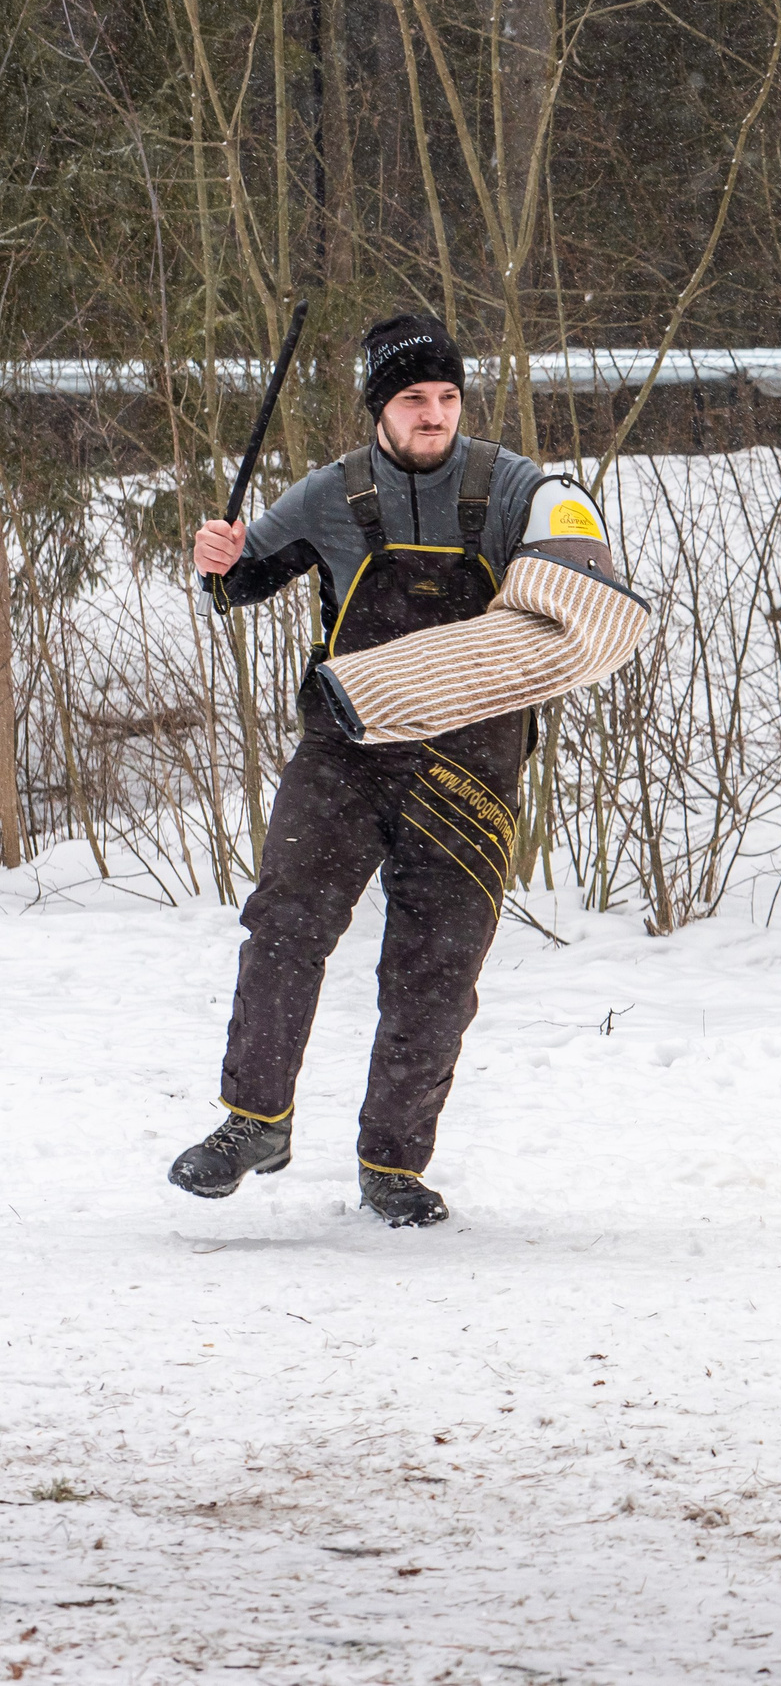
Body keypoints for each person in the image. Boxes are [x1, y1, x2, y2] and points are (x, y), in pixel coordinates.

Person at [168, 312, 614, 1228]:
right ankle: (253, 1120)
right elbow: (240, 581)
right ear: (379, 405)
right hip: (345, 756)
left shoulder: (516, 487)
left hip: (470, 769)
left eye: (447, 398)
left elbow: (581, 581)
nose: (434, 415)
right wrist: (218, 557)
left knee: (434, 973)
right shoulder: (331, 494)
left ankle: (392, 1164)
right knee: (283, 925)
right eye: (415, 399)